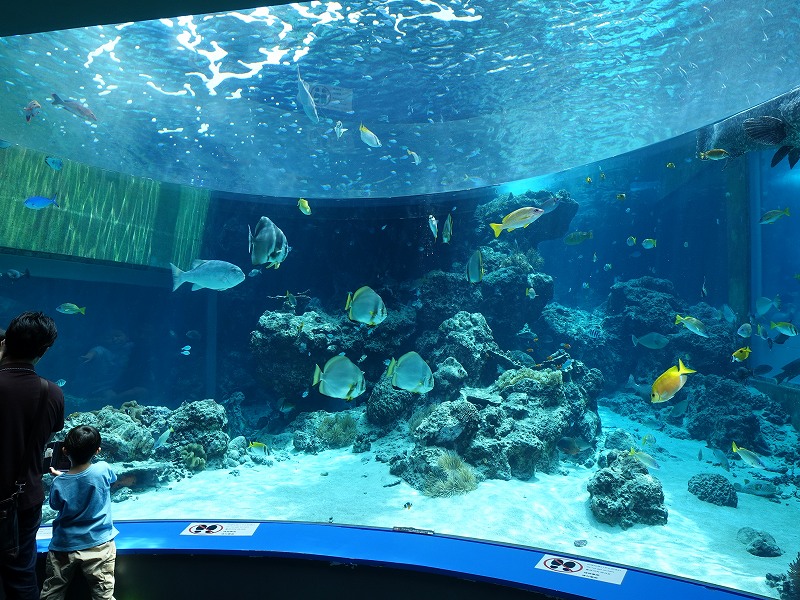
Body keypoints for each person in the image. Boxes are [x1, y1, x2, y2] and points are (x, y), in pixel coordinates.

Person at [0, 312, 64, 600]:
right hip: (22, 500)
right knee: (21, 577)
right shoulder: (51, 393)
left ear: (6, 341)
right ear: (44, 350)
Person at [40, 425, 118, 600]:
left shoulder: (59, 482)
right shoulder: (103, 469)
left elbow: (55, 504)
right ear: (97, 451)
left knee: (52, 591)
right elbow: (106, 479)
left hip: (64, 546)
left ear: (64, 450)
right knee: (103, 594)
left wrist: (62, 477)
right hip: (99, 544)